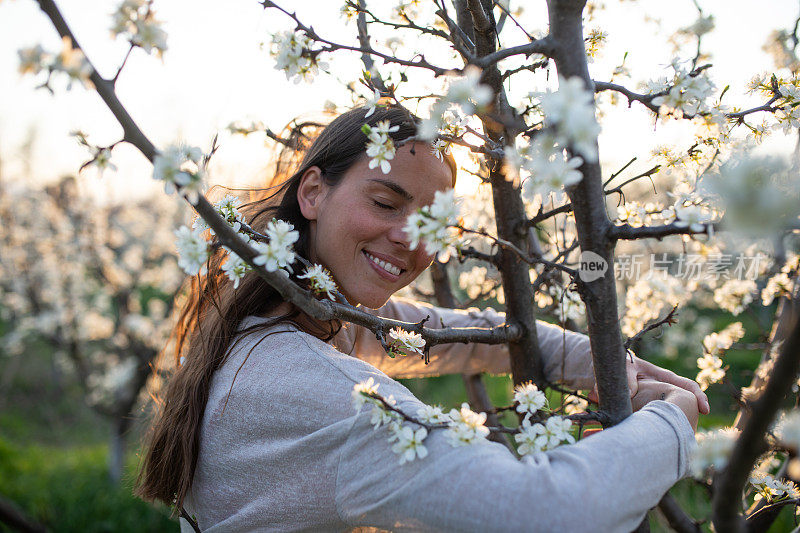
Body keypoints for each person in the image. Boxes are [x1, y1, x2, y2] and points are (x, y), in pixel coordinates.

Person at [135, 105, 708, 532]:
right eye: (386, 204)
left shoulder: (306, 314)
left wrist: (608, 366)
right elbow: (542, 511)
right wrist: (672, 425)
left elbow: (460, 336)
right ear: (313, 193)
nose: (410, 238)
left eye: (433, 223)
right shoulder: (313, 386)